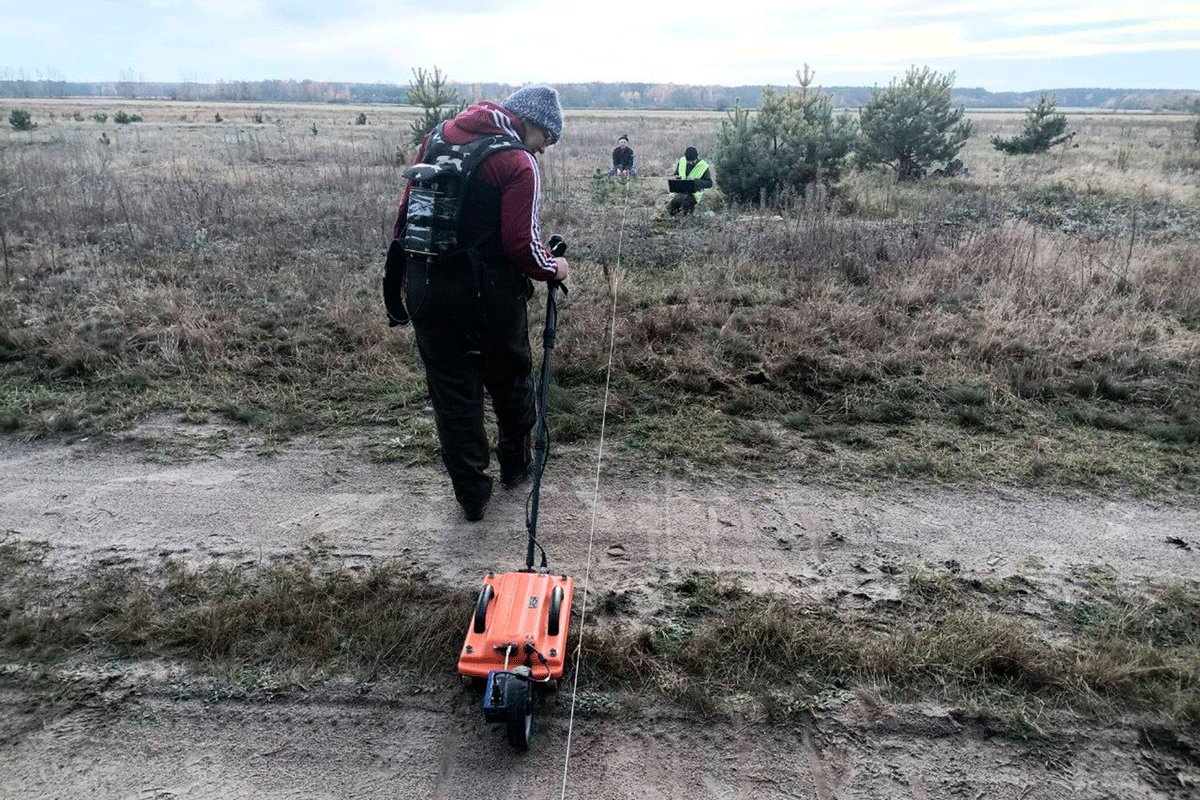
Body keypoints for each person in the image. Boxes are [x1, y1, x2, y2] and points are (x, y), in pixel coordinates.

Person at [390, 85, 570, 522]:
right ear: (528, 123)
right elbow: (521, 246)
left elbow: (405, 214)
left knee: (452, 393)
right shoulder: (517, 161)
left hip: (426, 285)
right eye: (545, 139)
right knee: (511, 378)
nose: (543, 150)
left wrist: (405, 281)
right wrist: (555, 268)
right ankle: (515, 467)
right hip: (489, 292)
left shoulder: (437, 137)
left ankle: (471, 496)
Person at [668, 146, 712, 216]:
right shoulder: (682, 161)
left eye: (692, 161)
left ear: (697, 157)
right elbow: (676, 174)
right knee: (672, 204)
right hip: (679, 191)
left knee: (684, 202)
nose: (690, 163)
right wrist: (677, 178)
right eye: (688, 161)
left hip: (693, 194)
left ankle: (686, 218)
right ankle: (673, 217)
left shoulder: (703, 166)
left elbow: (709, 183)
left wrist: (696, 182)